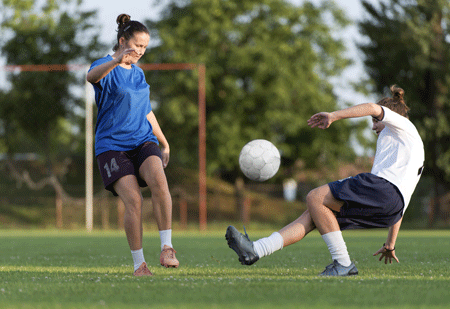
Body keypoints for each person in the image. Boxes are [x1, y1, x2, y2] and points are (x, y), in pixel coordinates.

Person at [226, 85, 425, 276]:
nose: (373, 126)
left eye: (375, 121)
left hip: (383, 191)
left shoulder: (403, 125)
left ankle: (343, 263)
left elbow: (373, 108)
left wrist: (334, 115)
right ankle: (256, 250)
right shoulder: (405, 150)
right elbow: (400, 200)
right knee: (316, 213)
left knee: (315, 196)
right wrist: (391, 244)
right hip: (391, 209)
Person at [86, 14, 179, 276]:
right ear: (122, 40)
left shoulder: (138, 75)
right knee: (135, 201)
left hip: (142, 140)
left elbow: (147, 112)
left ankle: (166, 247)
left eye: (144, 47)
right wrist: (116, 60)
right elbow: (90, 77)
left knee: (159, 181)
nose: (140, 51)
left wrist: (164, 142)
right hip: (112, 147)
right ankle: (140, 264)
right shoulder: (105, 65)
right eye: (136, 45)